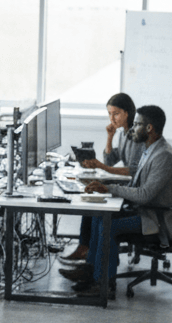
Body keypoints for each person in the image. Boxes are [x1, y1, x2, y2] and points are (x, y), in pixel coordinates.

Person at [65, 104, 172, 297]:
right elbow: (136, 183)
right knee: (98, 215)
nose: (132, 129)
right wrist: (106, 184)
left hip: (157, 220)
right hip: (146, 210)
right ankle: (91, 271)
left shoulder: (163, 156)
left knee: (108, 225)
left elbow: (144, 194)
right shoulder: (151, 149)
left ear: (149, 128)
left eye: (136, 125)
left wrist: (110, 188)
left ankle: (103, 284)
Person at [61, 92, 143, 264]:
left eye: (116, 114)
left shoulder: (136, 137)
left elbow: (133, 172)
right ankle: (85, 249)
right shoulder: (122, 133)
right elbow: (110, 159)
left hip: (135, 190)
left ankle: (88, 254)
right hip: (128, 184)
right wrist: (110, 137)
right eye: (109, 114)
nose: (112, 118)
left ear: (127, 113)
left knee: (95, 203)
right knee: (91, 197)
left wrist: (102, 167)